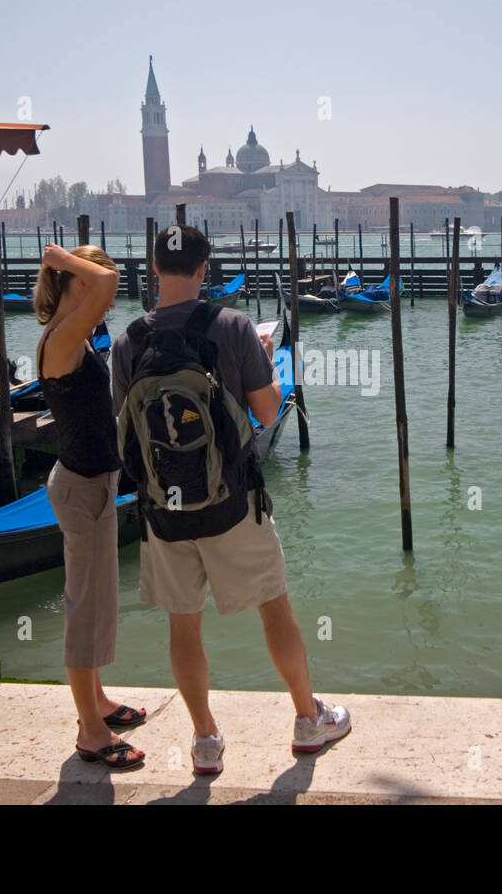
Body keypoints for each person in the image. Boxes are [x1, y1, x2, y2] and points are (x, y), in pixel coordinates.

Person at [112, 224, 349, 776]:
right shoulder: (233, 326)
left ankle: (205, 741)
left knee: (183, 626)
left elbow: (123, 430)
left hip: (164, 512)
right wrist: (260, 360)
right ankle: (308, 720)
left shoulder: (128, 343)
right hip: (233, 504)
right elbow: (268, 413)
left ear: (152, 269)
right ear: (203, 269)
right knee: (275, 607)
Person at [35, 243, 146, 771]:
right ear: (77, 284)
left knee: (98, 601)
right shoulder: (61, 340)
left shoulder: (67, 338)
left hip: (91, 484)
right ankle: (90, 731)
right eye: (98, 286)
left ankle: (97, 701)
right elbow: (105, 287)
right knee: (84, 608)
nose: (108, 301)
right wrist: (61, 257)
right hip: (82, 489)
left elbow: (102, 288)